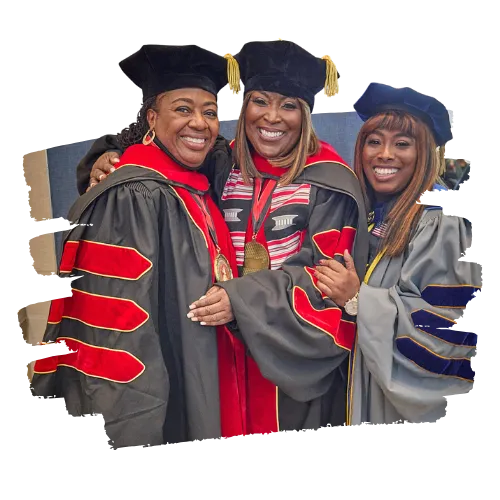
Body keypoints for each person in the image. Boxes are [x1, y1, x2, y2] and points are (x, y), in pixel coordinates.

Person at [76, 38, 369, 435]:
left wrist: (242, 300)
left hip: (289, 364)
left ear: (304, 116)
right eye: (260, 101)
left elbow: (326, 280)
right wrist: (104, 155)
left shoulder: (330, 184)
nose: (272, 117)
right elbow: (160, 142)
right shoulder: (221, 162)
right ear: (244, 107)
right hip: (218, 358)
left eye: (288, 106)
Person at [29, 41, 249, 454]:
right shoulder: (130, 195)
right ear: (151, 117)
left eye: (209, 112)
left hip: (202, 374)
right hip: (159, 401)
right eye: (182, 109)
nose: (199, 123)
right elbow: (116, 338)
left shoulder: (199, 181)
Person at [313, 82, 485, 427]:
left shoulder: (442, 222)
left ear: (424, 154)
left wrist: (359, 299)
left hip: (398, 409)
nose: (385, 154)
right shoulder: (369, 212)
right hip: (358, 388)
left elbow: (449, 334)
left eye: (402, 144)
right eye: (374, 141)